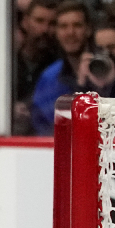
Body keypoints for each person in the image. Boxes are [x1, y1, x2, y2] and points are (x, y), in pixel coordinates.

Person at [31, 1, 115, 135]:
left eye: (77, 25)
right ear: (56, 32)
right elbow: (43, 127)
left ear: (88, 30)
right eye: (63, 26)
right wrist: (80, 86)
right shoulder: (49, 77)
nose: (70, 32)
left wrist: (107, 86)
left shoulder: (110, 72)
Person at [13, 0, 59, 136]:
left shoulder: (61, 67)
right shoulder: (7, 65)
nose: (45, 29)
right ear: (25, 22)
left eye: (51, 24)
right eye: (39, 21)